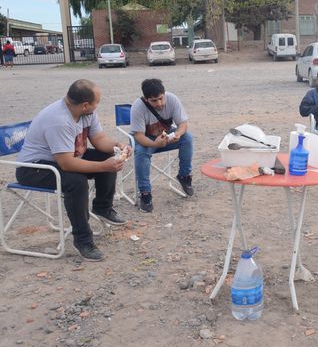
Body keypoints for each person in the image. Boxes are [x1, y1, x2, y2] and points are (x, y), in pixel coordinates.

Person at [15, 79, 130, 261]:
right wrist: (103, 166)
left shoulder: (87, 113)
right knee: (75, 181)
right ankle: (83, 240)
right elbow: (67, 164)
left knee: (107, 157)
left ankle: (102, 208)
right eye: (97, 102)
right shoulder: (58, 120)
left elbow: (99, 140)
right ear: (85, 105)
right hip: (34, 168)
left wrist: (117, 146)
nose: (98, 105)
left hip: (67, 159)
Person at [129, 78, 194, 213]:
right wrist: (154, 143)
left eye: (161, 98)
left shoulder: (172, 99)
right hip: (147, 139)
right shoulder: (137, 107)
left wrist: (178, 134)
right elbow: (138, 136)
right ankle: (145, 193)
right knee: (141, 152)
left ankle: (184, 176)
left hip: (165, 136)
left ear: (164, 94)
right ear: (146, 99)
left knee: (187, 138)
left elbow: (183, 124)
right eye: (154, 101)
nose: (159, 103)